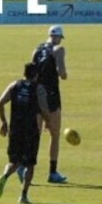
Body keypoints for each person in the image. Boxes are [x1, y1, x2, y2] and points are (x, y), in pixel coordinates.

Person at [0, 63, 50, 204]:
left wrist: (3, 122)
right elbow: (44, 109)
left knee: (13, 161)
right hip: (31, 131)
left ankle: (5, 175)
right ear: (36, 75)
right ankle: (23, 195)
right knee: (30, 164)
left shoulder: (14, 85)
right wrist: (48, 123)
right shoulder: (38, 89)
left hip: (15, 130)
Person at [29, 24, 70, 184]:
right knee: (54, 134)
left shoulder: (37, 50)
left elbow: (31, 73)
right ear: (59, 37)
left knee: (35, 134)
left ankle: (25, 166)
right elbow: (62, 73)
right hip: (51, 95)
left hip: (36, 94)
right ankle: (52, 172)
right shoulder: (58, 49)